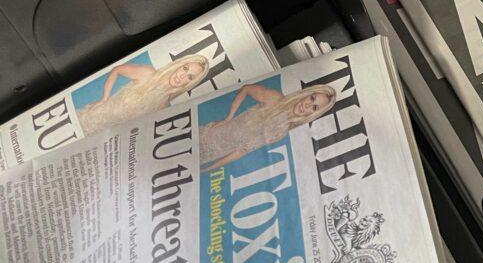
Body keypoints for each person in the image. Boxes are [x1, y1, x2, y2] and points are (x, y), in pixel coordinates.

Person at [200, 83, 336, 170]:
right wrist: (228, 117)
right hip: (209, 134)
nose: (307, 105)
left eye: (314, 107)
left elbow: (242, 151)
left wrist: (213, 166)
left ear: (313, 114)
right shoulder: (275, 98)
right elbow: (246, 89)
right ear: (306, 94)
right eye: (312, 98)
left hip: (212, 154)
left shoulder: (281, 132)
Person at [78, 55, 210, 135]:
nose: (182, 76)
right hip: (91, 118)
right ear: (178, 65)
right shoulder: (148, 73)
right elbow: (117, 70)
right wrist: (104, 98)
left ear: (190, 83)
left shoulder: (164, 104)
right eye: (185, 68)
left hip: (101, 136)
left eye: (190, 76)